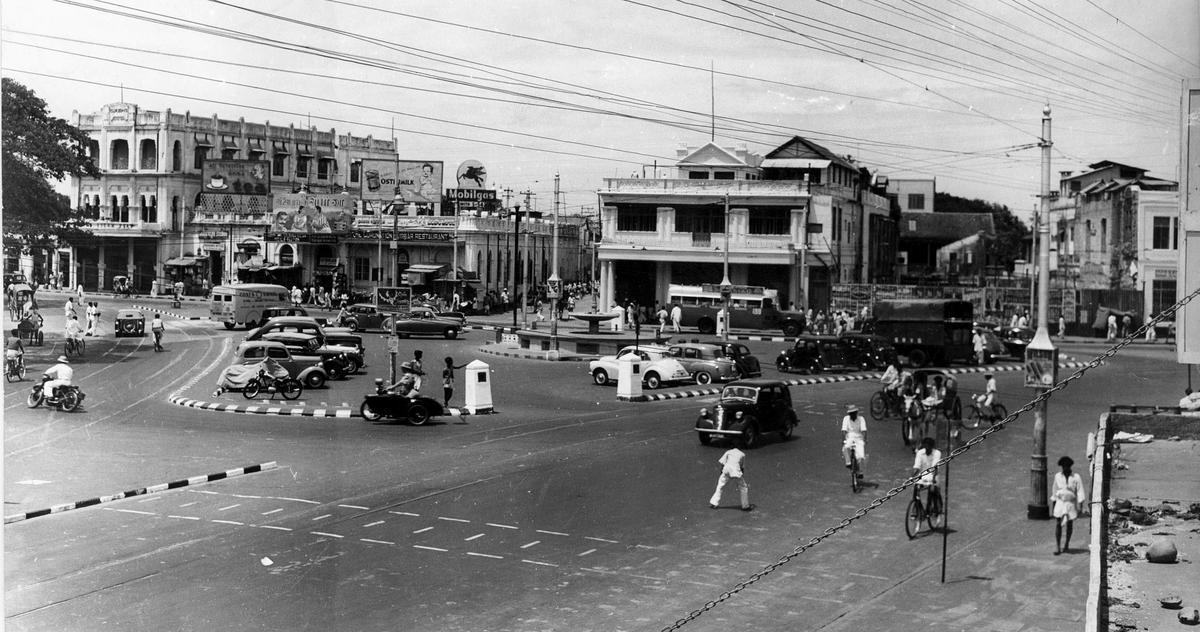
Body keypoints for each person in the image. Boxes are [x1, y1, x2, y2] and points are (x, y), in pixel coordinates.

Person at [1051, 455, 1087, 555]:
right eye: (1063, 466)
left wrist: (1080, 506)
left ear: (1070, 467)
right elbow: (1054, 491)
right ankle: (1058, 546)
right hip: (1060, 502)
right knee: (1058, 523)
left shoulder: (1076, 477)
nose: (1065, 468)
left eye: (1067, 466)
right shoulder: (1058, 476)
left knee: (1069, 524)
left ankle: (1066, 544)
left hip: (1070, 503)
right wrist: (1053, 505)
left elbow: (1080, 491)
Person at [708, 440, 752, 511]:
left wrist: (722, 472)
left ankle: (714, 503)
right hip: (736, 472)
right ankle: (745, 506)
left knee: (720, 486)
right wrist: (741, 476)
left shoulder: (728, 452)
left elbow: (722, 463)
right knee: (743, 487)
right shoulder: (742, 454)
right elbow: (742, 467)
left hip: (726, 470)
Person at [841, 404, 867, 476]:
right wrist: (844, 440)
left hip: (859, 437)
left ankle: (860, 471)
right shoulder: (846, 419)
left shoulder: (861, 419)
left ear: (856, 413)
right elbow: (844, 430)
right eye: (851, 413)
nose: (853, 415)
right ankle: (848, 462)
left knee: (861, 456)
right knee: (845, 448)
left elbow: (864, 431)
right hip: (849, 437)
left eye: (854, 413)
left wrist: (864, 440)